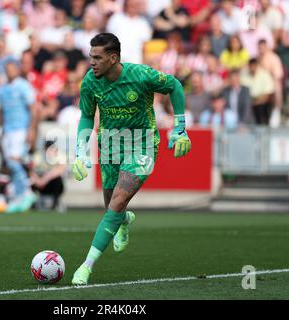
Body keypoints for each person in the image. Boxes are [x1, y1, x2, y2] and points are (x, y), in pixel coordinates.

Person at [70, 33, 191, 285]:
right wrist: (80, 150)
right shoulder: (90, 82)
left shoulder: (140, 75)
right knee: (112, 209)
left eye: (97, 57)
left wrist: (179, 128)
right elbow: (86, 116)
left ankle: (86, 266)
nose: (91, 62)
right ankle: (124, 220)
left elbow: (174, 86)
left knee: (118, 200)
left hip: (142, 144)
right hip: (111, 146)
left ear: (113, 58)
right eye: (90, 56)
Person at [0, 60, 39, 214]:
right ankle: (20, 196)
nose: (10, 71)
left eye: (13, 68)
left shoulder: (23, 86)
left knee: (14, 161)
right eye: (7, 68)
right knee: (9, 163)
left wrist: (32, 130)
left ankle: (26, 193)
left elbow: (33, 108)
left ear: (18, 69)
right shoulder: (2, 89)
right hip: (8, 130)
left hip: (21, 129)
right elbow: (1, 112)